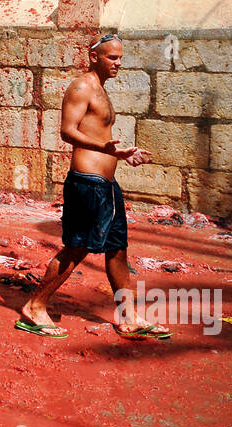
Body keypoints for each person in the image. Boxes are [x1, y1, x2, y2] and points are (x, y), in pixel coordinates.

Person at [17, 33, 169, 341]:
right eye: (113, 57)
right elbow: (67, 131)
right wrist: (108, 148)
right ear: (95, 57)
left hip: (107, 186)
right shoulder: (82, 86)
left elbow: (100, 137)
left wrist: (122, 153)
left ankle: (127, 316)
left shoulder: (101, 90)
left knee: (117, 250)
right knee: (77, 247)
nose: (118, 63)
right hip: (87, 184)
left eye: (120, 57)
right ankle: (35, 307)